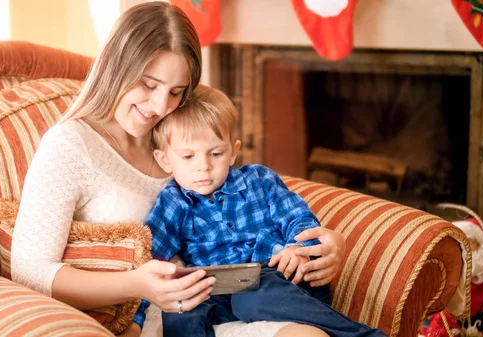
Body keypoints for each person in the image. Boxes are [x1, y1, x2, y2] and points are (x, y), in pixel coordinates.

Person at [10, 2, 346, 336]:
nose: (159, 106)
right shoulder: (70, 145)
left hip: (223, 303)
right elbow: (29, 271)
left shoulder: (174, 133)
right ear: (117, 65)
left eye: (175, 91)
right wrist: (136, 286)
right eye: (149, 84)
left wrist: (328, 242)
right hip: (163, 321)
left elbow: (245, 192)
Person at [142, 85, 386, 337]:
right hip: (220, 293)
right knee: (179, 308)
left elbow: (299, 219)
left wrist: (297, 248)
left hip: (280, 281)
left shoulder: (259, 181)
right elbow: (147, 259)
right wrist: (135, 317)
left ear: (233, 152)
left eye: (215, 153)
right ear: (165, 160)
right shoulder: (173, 202)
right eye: (188, 157)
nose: (203, 167)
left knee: (251, 298)